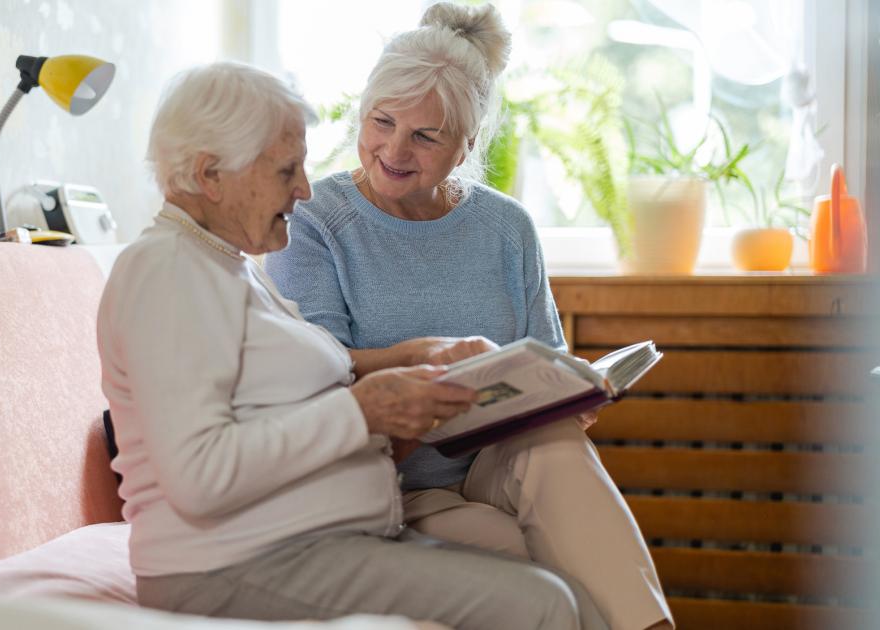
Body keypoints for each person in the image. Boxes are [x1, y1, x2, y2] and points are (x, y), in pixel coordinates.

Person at [97, 61, 610, 630]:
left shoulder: (223, 267)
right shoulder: (167, 270)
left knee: (564, 592)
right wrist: (364, 409)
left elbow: (281, 384)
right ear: (211, 174)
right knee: (543, 603)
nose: (305, 189)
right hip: (234, 565)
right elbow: (198, 477)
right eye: (287, 169)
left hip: (307, 543)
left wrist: (411, 358)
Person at [265, 4, 672, 630]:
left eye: (425, 136)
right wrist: (425, 353)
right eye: (382, 122)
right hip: (395, 481)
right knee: (563, 580)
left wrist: (572, 394)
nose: (394, 150)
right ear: (362, 114)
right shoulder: (317, 220)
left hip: (498, 462)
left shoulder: (507, 228)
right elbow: (320, 368)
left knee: (557, 443)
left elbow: (545, 360)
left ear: (466, 144)